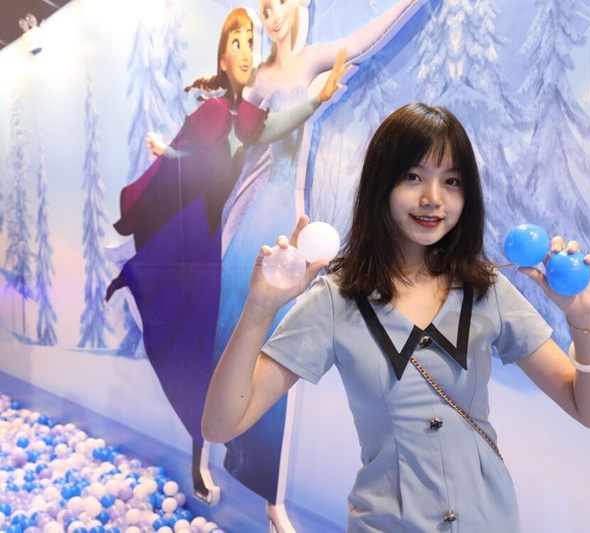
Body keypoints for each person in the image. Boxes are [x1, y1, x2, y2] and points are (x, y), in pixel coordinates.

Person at [203, 103, 590, 531]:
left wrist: (585, 318)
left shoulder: (485, 289)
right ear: (381, 183)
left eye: (451, 181)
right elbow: (221, 424)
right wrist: (259, 310)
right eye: (413, 176)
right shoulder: (336, 300)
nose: (432, 198)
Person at [105, 7, 349, 505]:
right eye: (235, 43)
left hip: (212, 238)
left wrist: (317, 98)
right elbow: (189, 153)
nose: (245, 51)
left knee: (202, 347)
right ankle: (200, 455)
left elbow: (272, 127)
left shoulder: (244, 115)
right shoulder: (215, 111)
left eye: (249, 43)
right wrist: (167, 155)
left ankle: (204, 456)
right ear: (222, 57)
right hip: (194, 236)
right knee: (192, 340)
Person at [212, 1, 426, 526]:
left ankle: (271, 495)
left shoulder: (308, 61)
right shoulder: (256, 79)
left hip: (286, 220)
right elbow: (244, 137)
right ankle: (213, 454)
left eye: (279, 4)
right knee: (230, 338)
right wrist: (312, 102)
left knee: (277, 352)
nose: (272, 16)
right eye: (264, 8)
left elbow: (365, 38)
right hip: (250, 221)